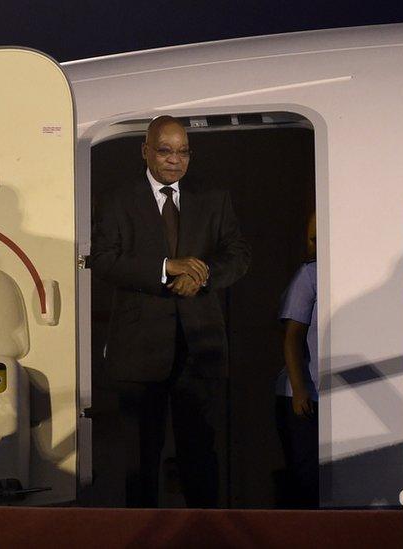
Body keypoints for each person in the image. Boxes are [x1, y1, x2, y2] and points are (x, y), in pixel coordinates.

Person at [91, 115, 250, 508]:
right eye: (165, 151)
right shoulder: (118, 200)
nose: (174, 160)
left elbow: (239, 255)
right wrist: (167, 267)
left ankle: (206, 536)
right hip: (139, 352)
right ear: (145, 151)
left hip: (199, 349)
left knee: (200, 456)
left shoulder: (213, 197)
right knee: (141, 462)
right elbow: (104, 260)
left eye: (182, 152)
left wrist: (203, 274)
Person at [274, 212, 318, 508]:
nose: (314, 246)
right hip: (303, 395)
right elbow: (292, 337)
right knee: (304, 477)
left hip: (332, 395)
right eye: (311, 239)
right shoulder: (310, 274)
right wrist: (300, 388)